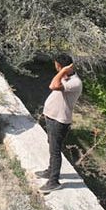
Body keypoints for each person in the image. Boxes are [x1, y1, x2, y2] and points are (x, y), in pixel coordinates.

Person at [38, 54, 82, 193]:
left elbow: (53, 86)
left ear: (59, 66)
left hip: (60, 120)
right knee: (52, 145)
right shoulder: (67, 78)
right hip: (52, 117)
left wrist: (62, 71)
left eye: (56, 65)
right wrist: (63, 72)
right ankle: (50, 170)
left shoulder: (74, 82)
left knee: (55, 150)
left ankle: (54, 181)